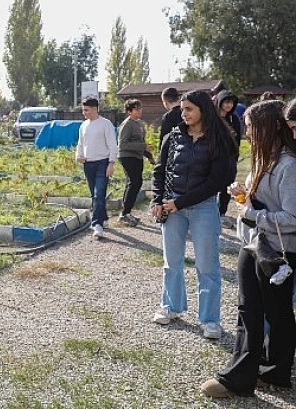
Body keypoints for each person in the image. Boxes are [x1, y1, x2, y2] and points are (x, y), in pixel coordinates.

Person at [201, 99, 296, 397]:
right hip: (255, 244)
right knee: (253, 311)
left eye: (252, 127)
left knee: (272, 314)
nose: (248, 133)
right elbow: (264, 204)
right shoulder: (264, 159)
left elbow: (292, 218)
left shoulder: (288, 166)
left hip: (278, 252)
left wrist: (253, 214)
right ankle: (267, 372)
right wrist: (244, 196)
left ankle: (242, 380)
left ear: (269, 127)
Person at [151, 90, 236, 339]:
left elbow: (216, 182)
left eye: (189, 109)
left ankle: (210, 320)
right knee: (171, 262)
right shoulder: (173, 137)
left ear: (203, 110)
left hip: (203, 207)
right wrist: (157, 200)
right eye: (182, 109)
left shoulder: (219, 139)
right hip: (171, 207)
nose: (183, 114)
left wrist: (180, 203)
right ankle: (171, 306)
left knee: (207, 265)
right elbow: (159, 170)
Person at [75, 97, 118, 239]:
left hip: (102, 163)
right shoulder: (83, 126)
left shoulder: (106, 124)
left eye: (86, 110)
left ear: (95, 109)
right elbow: (80, 143)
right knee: (94, 195)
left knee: (99, 193)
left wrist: (111, 163)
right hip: (88, 164)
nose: (84, 113)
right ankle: (103, 218)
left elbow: (113, 144)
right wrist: (78, 155)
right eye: (83, 110)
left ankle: (97, 224)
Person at [117, 99, 152, 227]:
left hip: (137, 157)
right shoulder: (127, 125)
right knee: (135, 182)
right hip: (127, 157)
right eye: (136, 109)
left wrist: (149, 156)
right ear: (129, 111)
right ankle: (124, 214)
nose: (140, 111)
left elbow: (142, 143)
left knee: (134, 183)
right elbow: (122, 144)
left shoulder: (140, 124)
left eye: (140, 108)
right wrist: (143, 146)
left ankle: (126, 212)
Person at [216, 90, 242, 229]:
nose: (229, 105)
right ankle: (209, 212)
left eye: (231, 102)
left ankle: (221, 212)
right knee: (212, 185)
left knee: (227, 187)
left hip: (229, 158)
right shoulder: (212, 118)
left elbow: (238, 140)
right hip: (214, 158)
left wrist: (235, 156)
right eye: (226, 102)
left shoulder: (234, 119)